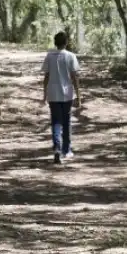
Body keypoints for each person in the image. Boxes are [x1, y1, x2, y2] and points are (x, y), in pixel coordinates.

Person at [41, 31, 81, 164]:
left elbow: (46, 77)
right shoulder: (70, 56)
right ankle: (66, 150)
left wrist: (44, 94)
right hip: (66, 93)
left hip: (53, 93)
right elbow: (74, 77)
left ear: (55, 43)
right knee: (66, 121)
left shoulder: (49, 56)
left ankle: (57, 147)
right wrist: (78, 96)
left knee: (56, 121)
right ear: (66, 43)